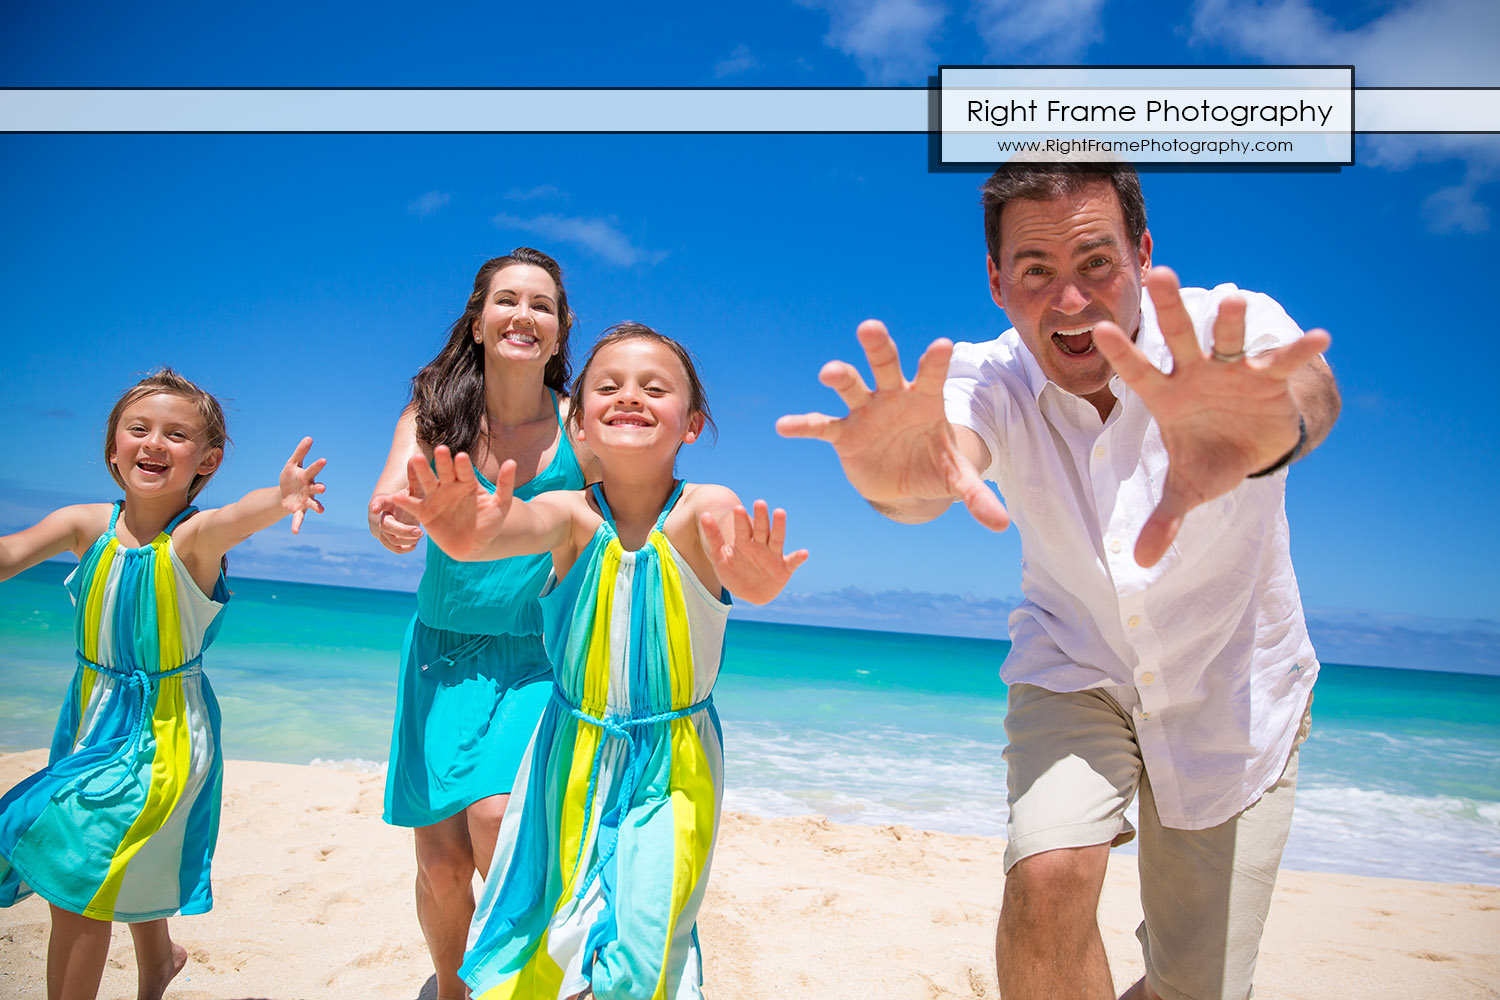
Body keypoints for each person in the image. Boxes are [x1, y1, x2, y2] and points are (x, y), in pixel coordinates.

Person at [778, 160, 1341, 1000]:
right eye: (1037, 272)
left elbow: (1307, 388)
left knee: (1198, 988)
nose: (1070, 300)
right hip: (1076, 669)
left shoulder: (1229, 329)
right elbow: (943, 461)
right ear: (998, 281)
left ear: (1143, 253)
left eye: (1097, 264)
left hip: (1237, 687)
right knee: (1047, 882)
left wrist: (1267, 429)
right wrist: (900, 481)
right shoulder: (989, 374)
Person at [393, 323, 808, 1000]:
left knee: (645, 943)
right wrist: (460, 531)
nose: (630, 397)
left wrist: (760, 582)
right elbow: (495, 535)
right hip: (569, 755)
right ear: (579, 424)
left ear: (692, 425)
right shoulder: (567, 514)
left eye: (655, 388)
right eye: (607, 387)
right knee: (549, 932)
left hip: (672, 764)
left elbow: (747, 579)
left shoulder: (707, 509)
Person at [0, 367, 326, 1000]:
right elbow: (10, 554)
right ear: (112, 445)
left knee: (78, 872)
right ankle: (159, 961)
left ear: (207, 459)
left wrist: (280, 497)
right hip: (90, 719)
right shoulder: (85, 525)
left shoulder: (194, 541)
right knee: (119, 852)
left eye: (176, 435)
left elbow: (236, 516)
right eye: (138, 429)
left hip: (166, 733)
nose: (153, 443)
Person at [367, 248, 597, 1000]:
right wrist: (395, 519)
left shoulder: (580, 427)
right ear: (477, 321)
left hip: (536, 657)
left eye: (541, 304)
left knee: (498, 819)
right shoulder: (434, 412)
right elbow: (392, 493)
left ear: (562, 331)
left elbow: (634, 492)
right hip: (438, 655)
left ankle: (524, 979)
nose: (522, 315)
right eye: (506, 301)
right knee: (437, 863)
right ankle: (451, 987)